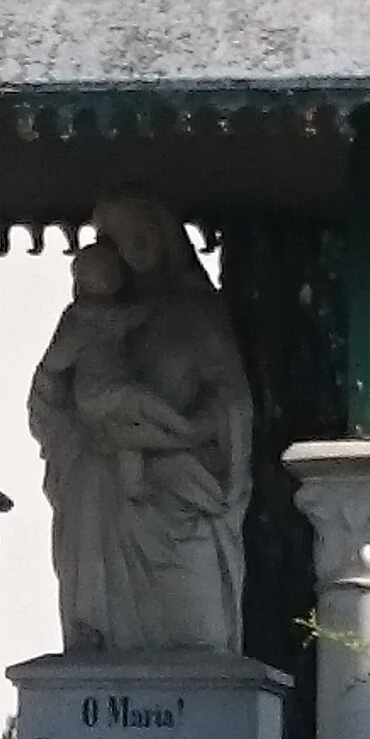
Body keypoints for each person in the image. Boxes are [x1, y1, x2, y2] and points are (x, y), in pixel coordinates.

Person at [27, 190, 254, 655]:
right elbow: (51, 409)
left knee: (199, 636)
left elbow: (231, 400)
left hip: (179, 494)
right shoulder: (86, 322)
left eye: (135, 237)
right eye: (112, 239)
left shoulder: (194, 313)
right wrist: (53, 370)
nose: (125, 252)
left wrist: (191, 436)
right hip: (99, 496)